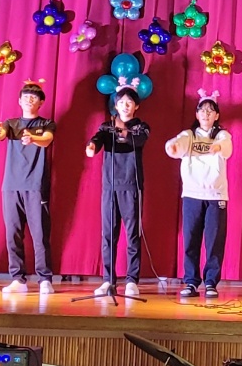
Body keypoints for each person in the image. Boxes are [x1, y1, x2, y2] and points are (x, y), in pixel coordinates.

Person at [0, 79, 57, 294]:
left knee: (40, 234)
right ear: (19, 101)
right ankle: (18, 279)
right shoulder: (11, 124)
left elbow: (47, 139)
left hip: (35, 186)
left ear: (41, 102)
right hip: (11, 185)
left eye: (34, 97)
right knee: (13, 234)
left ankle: (44, 278)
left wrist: (33, 139)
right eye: (26, 96)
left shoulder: (46, 124)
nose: (29, 99)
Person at [164, 90, 232, 299]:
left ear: (216, 115)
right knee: (191, 239)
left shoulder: (222, 135)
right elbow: (177, 144)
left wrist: (218, 147)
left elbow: (227, 148)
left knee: (214, 241)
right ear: (197, 114)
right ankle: (191, 282)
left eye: (210, 111)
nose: (206, 114)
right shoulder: (189, 135)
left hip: (216, 195)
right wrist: (172, 147)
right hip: (192, 195)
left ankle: (211, 282)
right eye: (202, 110)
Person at [87, 88, 150, 297]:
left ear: (136, 106)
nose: (125, 105)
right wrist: (92, 145)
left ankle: (132, 280)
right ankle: (108, 280)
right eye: (121, 102)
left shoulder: (141, 127)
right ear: (115, 105)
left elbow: (137, 141)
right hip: (110, 187)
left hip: (131, 186)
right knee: (108, 235)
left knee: (132, 235)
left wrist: (122, 130)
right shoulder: (107, 127)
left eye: (129, 102)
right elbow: (97, 139)